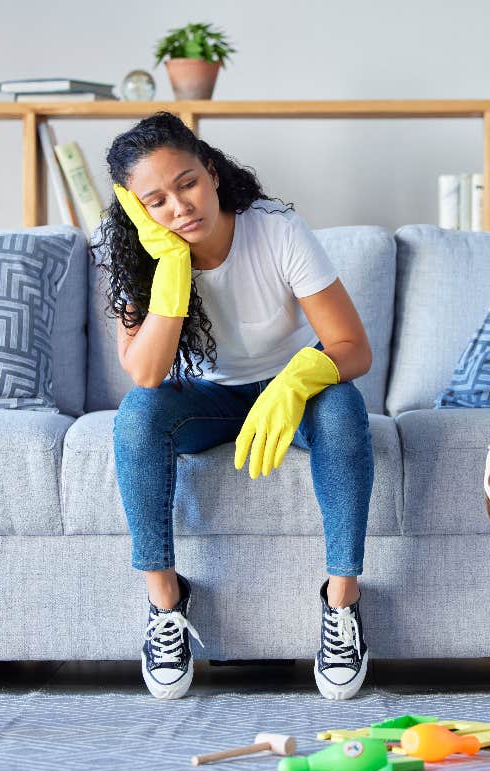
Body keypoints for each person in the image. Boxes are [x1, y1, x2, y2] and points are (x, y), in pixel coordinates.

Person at [93, 111, 373, 701]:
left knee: (344, 406)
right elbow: (145, 374)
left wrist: (298, 377)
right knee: (137, 417)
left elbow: (353, 347)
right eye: (157, 201)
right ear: (139, 213)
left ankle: (342, 604)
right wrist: (171, 267)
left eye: (187, 182)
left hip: (290, 391)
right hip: (203, 398)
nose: (180, 208)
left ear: (212, 172)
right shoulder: (141, 259)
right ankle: (166, 602)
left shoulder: (275, 230)